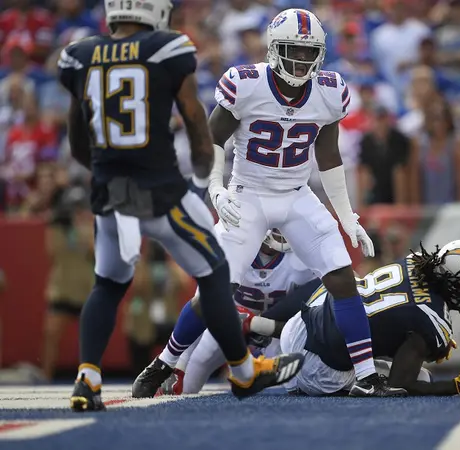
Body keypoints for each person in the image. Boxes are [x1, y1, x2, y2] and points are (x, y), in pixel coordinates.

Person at [137, 8, 402, 398]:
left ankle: (367, 376)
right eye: (294, 50)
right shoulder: (247, 84)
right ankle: (164, 362)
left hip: (296, 194)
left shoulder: (329, 91)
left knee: (342, 278)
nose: (302, 59)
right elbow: (212, 139)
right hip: (249, 194)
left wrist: (346, 216)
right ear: (275, 49)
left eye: (310, 52)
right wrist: (216, 188)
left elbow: (329, 157)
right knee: (214, 290)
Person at [57, 0, 304, 411]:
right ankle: (244, 372)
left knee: (108, 284)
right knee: (215, 272)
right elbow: (195, 121)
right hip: (159, 190)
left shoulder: (80, 54)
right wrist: (204, 179)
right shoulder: (167, 48)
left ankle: (88, 376)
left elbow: (77, 138)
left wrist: (104, 173)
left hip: (109, 192)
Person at [248, 240, 460, 397]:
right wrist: (456, 386)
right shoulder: (433, 321)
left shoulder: (414, 262)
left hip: (301, 324)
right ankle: (297, 376)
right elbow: (401, 384)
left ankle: (264, 324)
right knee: (423, 379)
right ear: (457, 283)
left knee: (346, 286)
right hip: (318, 370)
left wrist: (421, 342)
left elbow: (388, 317)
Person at [158, 228, 320, 395]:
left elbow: (315, 311)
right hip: (227, 324)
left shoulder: (304, 255)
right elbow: (202, 307)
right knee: (190, 375)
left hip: (276, 332)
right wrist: (180, 364)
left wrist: (259, 324)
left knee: (289, 388)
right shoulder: (227, 242)